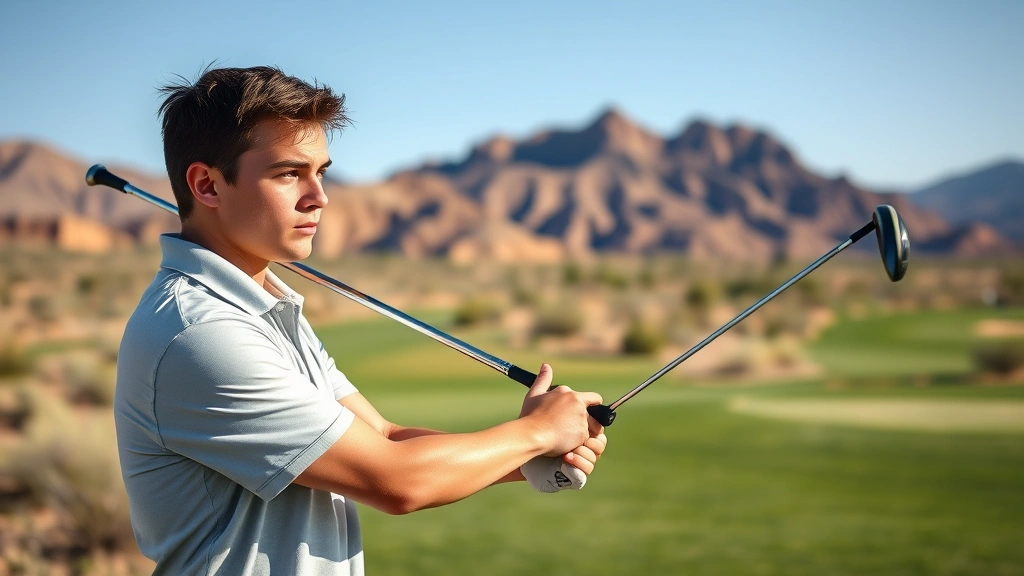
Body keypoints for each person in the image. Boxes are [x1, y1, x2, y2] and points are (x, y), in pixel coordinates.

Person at [114, 65, 607, 575]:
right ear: (207, 185)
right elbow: (395, 481)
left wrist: (529, 454)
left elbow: (386, 439)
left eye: (321, 172)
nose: (319, 197)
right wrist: (532, 435)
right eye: (289, 173)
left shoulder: (264, 307)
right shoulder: (203, 334)